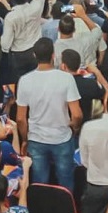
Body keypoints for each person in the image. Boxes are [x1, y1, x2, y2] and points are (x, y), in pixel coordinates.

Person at [15, 38, 81, 191]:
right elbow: (77, 114)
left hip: (36, 138)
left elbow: (20, 118)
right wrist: (74, 128)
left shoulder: (25, 80)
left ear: (34, 55)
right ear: (53, 55)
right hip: (62, 137)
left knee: (40, 184)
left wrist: (25, 139)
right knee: (65, 183)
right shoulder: (66, 78)